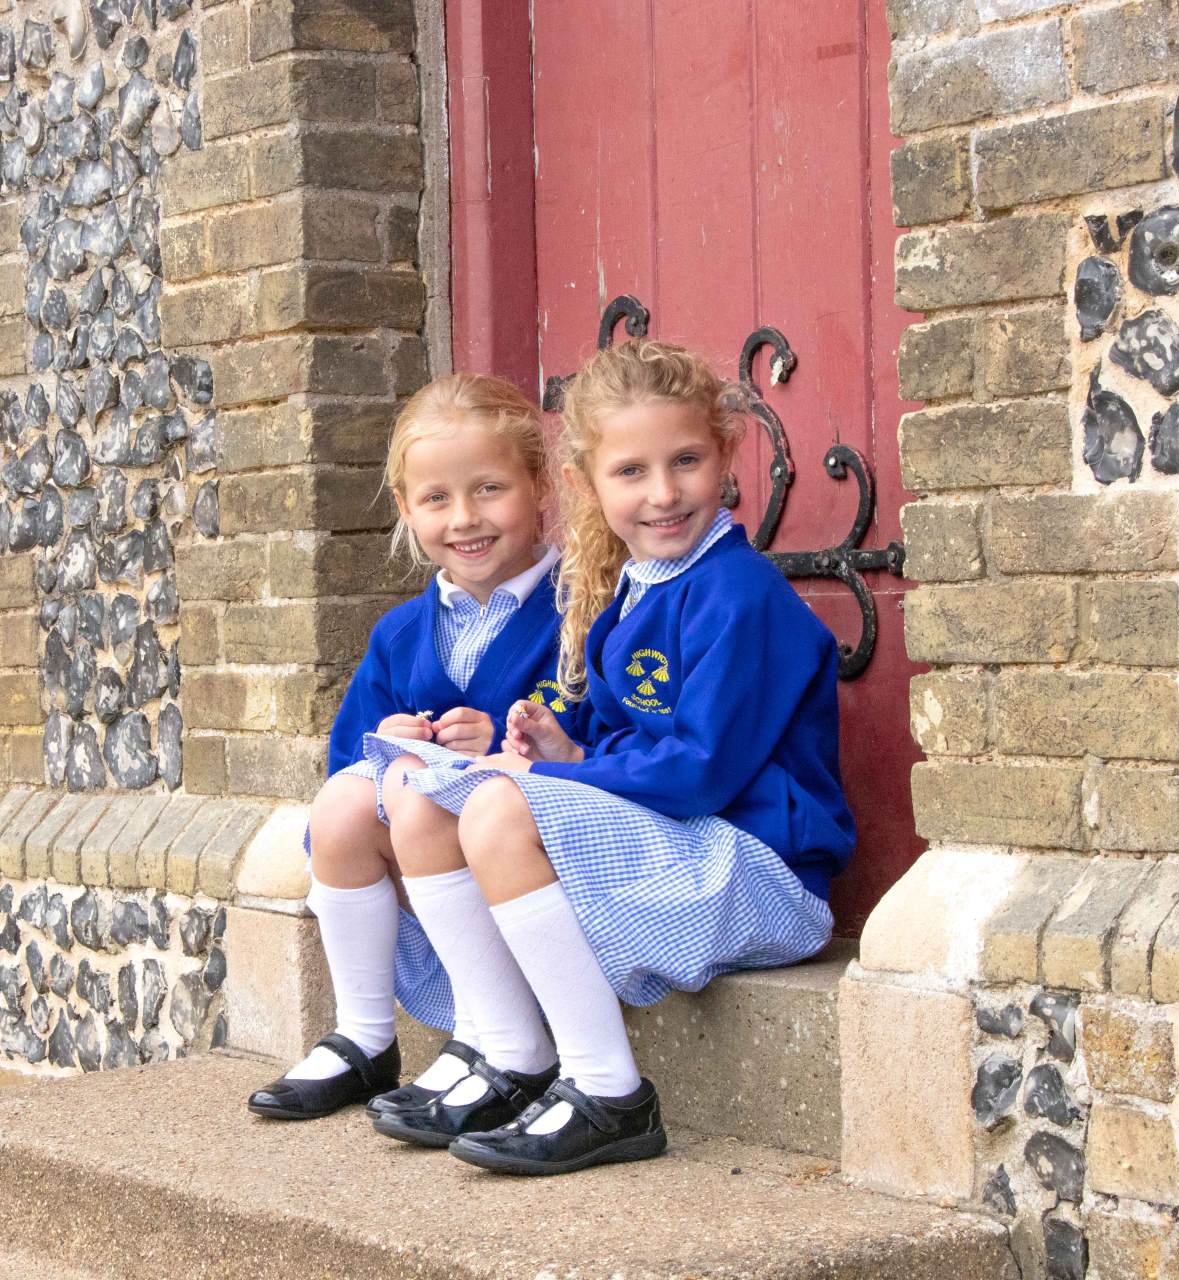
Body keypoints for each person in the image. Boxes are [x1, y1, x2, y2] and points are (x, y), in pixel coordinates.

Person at [371, 338, 853, 1174]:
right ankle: (512, 1050)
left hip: (765, 875)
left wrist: (549, 775)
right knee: (428, 795)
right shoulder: (639, 586)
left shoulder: (739, 595)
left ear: (727, 456)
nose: (663, 494)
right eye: (631, 473)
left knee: (497, 802)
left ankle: (607, 1089)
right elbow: (646, 752)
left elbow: (701, 769)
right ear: (589, 485)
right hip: (694, 844)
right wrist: (572, 746)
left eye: (687, 462)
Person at [245, 373, 577, 1124]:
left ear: (540, 487)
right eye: (436, 499)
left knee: (431, 798)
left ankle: (493, 1035)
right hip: (430, 854)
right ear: (405, 507)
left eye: (490, 489)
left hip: (526, 849)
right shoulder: (400, 631)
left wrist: (509, 737)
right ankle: (365, 1035)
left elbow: (589, 734)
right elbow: (344, 759)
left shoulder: (578, 612)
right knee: (342, 803)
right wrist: (385, 746)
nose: (465, 518)